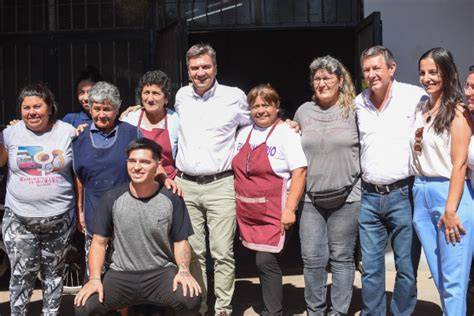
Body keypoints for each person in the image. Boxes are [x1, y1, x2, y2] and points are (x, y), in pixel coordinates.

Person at [74, 138, 201, 314]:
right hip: (121, 274)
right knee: (85, 306)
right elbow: (99, 243)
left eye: (144, 162)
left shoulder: (172, 199)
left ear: (157, 166)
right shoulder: (111, 198)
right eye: (132, 161)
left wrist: (184, 271)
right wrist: (94, 279)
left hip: (160, 272)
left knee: (190, 299)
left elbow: (181, 241)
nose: (137, 167)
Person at [173, 43, 251, 315]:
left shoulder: (234, 97)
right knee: (193, 252)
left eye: (206, 66)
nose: (201, 72)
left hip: (221, 184)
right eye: (195, 68)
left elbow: (257, 124)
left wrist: (285, 123)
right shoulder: (181, 96)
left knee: (222, 252)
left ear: (215, 68)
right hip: (186, 186)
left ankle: (223, 309)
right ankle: (200, 306)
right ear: (188, 70)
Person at [355, 45, 426, 315]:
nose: (371, 74)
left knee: (406, 266)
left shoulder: (414, 96)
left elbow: (441, 110)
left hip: (403, 194)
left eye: (376, 68)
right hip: (370, 197)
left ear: (391, 68)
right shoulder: (358, 103)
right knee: (371, 268)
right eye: (367, 69)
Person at [0, 83, 76, 315]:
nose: (32, 112)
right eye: (26, 107)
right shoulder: (9, 133)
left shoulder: (67, 131)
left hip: (59, 219)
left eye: (37, 106)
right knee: (21, 274)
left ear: (50, 108)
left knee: (53, 275)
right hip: (20, 218)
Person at [294, 56, 360, 315]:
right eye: (317, 79)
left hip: (348, 195)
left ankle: (340, 311)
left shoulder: (354, 110)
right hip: (311, 198)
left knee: (342, 258)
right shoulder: (303, 111)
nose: (321, 83)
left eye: (327, 78)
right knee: (312, 260)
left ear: (340, 80)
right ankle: (315, 310)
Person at [232, 84, 307, 315]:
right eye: (255, 106)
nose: (260, 110)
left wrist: (290, 209)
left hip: (276, 210)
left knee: (265, 260)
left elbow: (300, 171)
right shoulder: (243, 133)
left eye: (266, 105)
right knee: (256, 259)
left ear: (277, 107)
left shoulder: (286, 133)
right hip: (248, 211)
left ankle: (272, 311)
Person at [411, 47, 474, 315]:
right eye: (422, 72)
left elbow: (459, 163)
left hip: (449, 194)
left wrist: (450, 209)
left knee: (453, 282)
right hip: (420, 193)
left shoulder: (458, 111)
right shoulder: (421, 107)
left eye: (433, 72)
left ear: (447, 73)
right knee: (440, 278)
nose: (427, 78)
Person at [72, 81, 141, 274]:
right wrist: (80, 210)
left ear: (117, 110)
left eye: (107, 109)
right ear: (91, 109)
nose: (102, 114)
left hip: (128, 213)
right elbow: (79, 178)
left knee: (125, 272)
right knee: (96, 271)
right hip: (94, 212)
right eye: (97, 108)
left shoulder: (132, 133)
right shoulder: (78, 139)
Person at [121, 70, 179, 178]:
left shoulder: (175, 120)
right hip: (137, 181)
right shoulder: (130, 119)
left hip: (168, 183)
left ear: (166, 98)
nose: (150, 99)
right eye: (146, 93)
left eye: (156, 93)